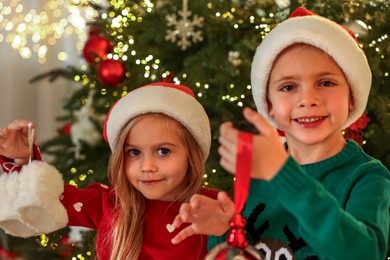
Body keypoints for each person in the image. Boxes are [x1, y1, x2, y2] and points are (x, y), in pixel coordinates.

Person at [171, 7, 390, 260]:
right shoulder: (257, 172)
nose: (307, 99)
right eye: (288, 87)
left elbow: (364, 254)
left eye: (326, 83)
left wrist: (284, 173)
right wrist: (226, 230)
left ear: (351, 96)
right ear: (270, 105)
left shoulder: (368, 178)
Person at [0, 82, 219, 259]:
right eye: (134, 152)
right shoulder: (109, 203)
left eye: (163, 151)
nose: (147, 166)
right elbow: (44, 198)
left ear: (192, 155)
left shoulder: (212, 207)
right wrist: (21, 159)